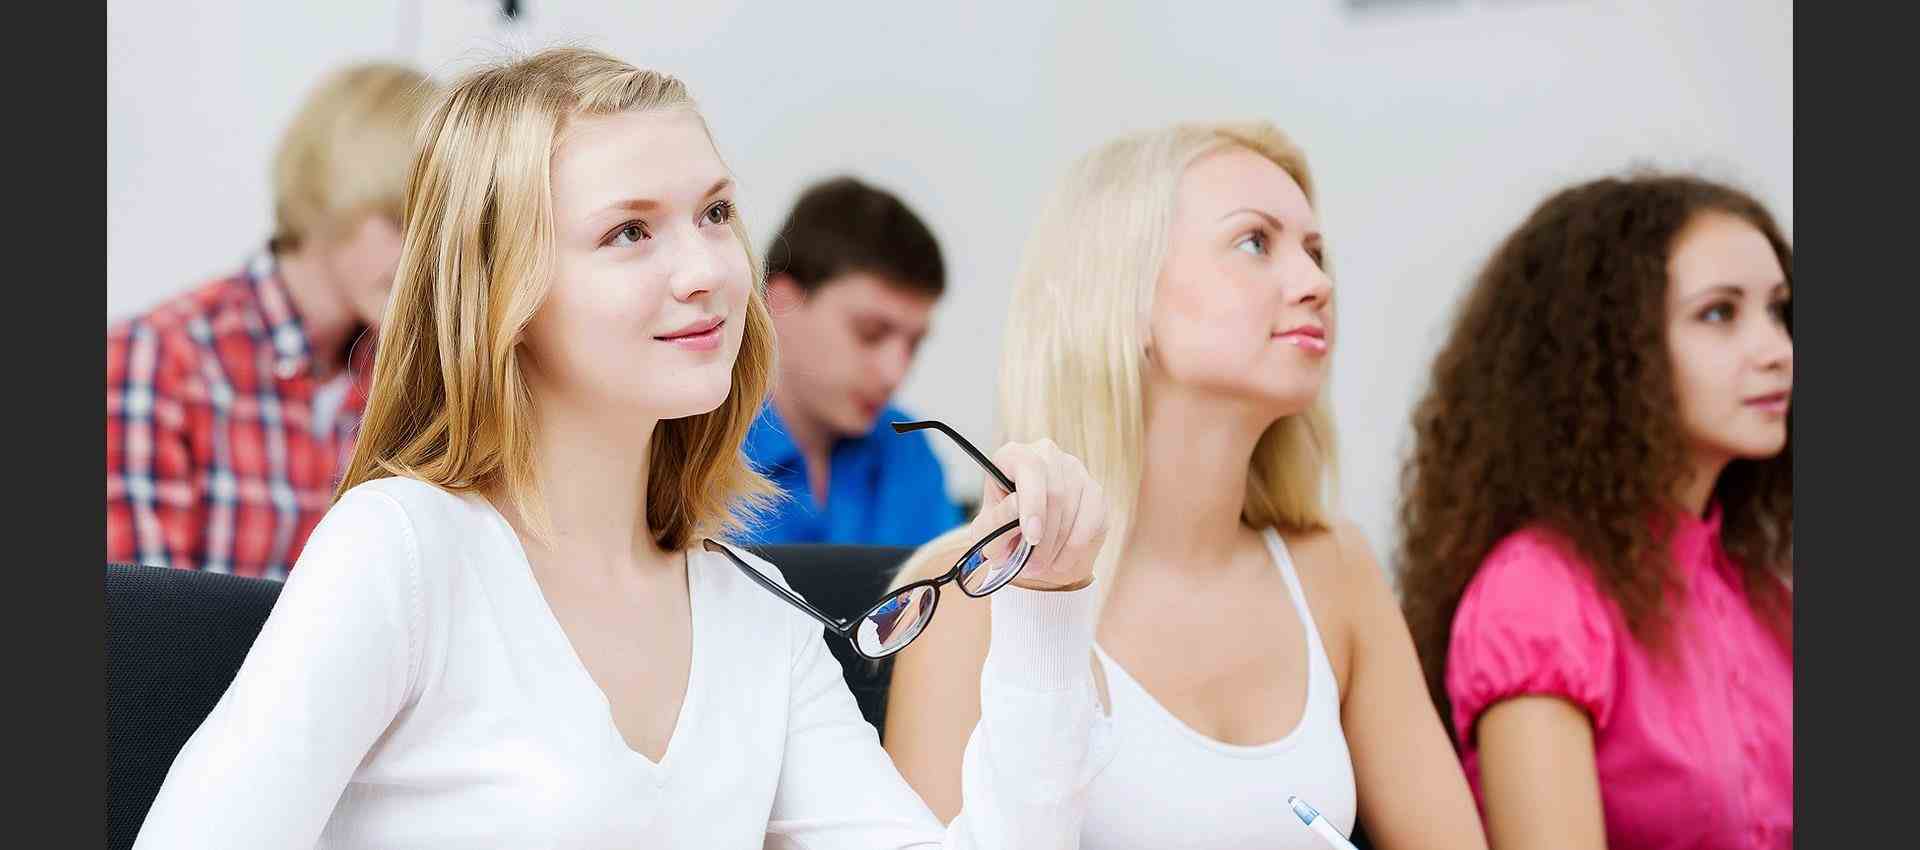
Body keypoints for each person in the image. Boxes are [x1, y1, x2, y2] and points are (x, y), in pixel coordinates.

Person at [133, 47, 1111, 849]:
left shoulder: (755, 612)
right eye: (630, 232)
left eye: (715, 213)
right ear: (504, 295)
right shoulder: (404, 551)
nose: (707, 270)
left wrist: (1047, 608)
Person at [882, 121, 1489, 849]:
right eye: (1255, 242)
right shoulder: (968, 601)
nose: (1317, 283)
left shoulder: (1337, 571)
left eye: (1315, 252)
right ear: (1125, 296)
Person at [1397, 173, 1793, 849]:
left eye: (1779, 311)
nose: (1778, 350)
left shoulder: (1762, 596)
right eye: (1719, 314)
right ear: (1612, 354)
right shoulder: (1538, 598)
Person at [107, 61, 435, 576]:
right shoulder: (157, 360)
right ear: (330, 202)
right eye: (401, 222)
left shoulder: (414, 379)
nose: (424, 261)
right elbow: (143, 613)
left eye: (437, 232)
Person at [743, 176, 960, 546]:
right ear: (781, 303)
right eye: (870, 333)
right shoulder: (697, 454)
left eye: (914, 344)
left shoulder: (908, 452)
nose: (895, 373)